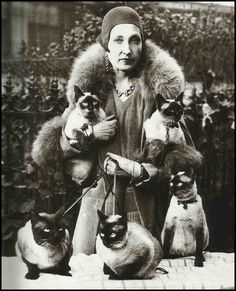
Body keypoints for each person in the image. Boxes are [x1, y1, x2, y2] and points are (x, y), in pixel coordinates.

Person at [31, 6, 185, 255]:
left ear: (143, 45)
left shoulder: (159, 95)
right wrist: (91, 135)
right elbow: (52, 151)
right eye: (118, 40)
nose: (127, 49)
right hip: (97, 202)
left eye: (135, 40)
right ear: (107, 44)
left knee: (138, 267)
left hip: (140, 201)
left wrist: (137, 169)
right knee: (89, 270)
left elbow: (180, 158)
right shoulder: (90, 91)